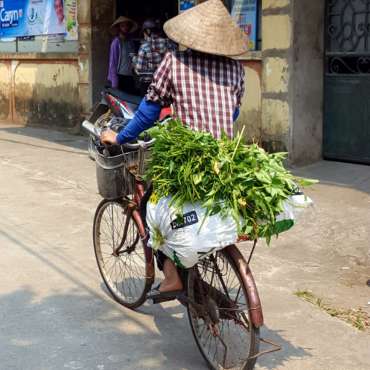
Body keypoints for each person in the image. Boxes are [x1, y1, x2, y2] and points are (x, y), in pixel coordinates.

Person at [102, 0, 248, 296]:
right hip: (224, 159)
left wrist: (118, 138)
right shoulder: (237, 70)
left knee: (150, 206)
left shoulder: (175, 62)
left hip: (188, 161)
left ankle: (171, 276)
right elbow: (231, 114)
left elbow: (147, 113)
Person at [132, 19, 175, 95]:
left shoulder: (144, 47)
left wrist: (135, 60)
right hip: (165, 83)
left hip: (148, 84)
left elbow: (139, 70)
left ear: (147, 31)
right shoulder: (170, 44)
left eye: (144, 33)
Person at [107, 16, 138, 94]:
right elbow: (112, 63)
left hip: (130, 77)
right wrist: (114, 82)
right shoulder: (116, 43)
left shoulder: (130, 42)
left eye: (127, 25)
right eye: (123, 26)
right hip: (120, 77)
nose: (125, 28)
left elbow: (133, 59)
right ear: (118, 28)